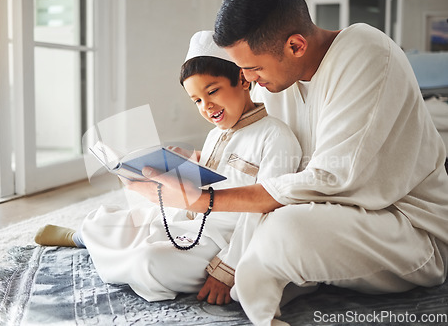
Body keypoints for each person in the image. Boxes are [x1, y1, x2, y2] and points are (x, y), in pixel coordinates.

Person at [125, 0, 448, 325]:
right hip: (323, 211)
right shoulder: (276, 79)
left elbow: (331, 177)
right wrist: (200, 160)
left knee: (283, 229)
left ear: (295, 46)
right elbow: (269, 151)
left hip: (406, 230)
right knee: (184, 220)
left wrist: (205, 200)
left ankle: (261, 294)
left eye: (251, 68)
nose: (247, 80)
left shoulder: (367, 53)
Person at [35, 30, 302, 306]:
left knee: (148, 262)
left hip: (221, 243)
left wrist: (226, 268)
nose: (207, 106)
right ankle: (85, 237)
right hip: (188, 221)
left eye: (212, 91)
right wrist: (177, 164)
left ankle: (101, 247)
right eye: (197, 100)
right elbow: (218, 171)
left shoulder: (276, 137)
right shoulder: (218, 133)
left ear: (243, 80)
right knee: (103, 219)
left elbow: (266, 212)